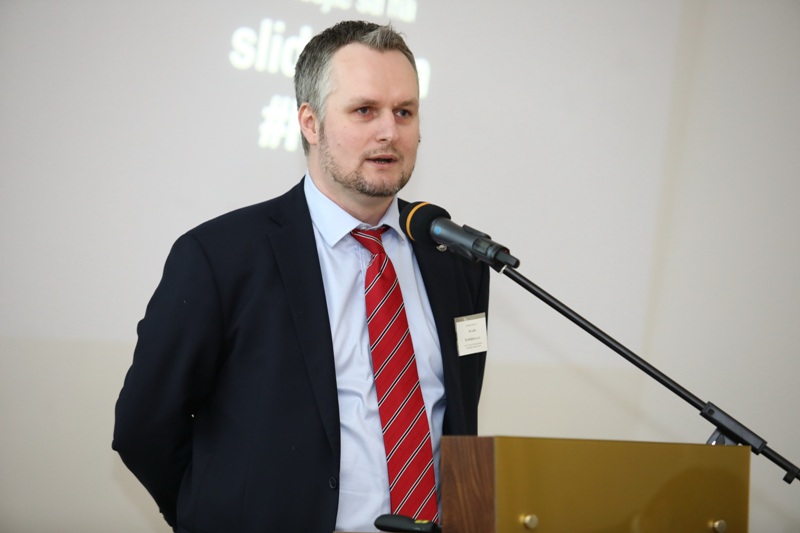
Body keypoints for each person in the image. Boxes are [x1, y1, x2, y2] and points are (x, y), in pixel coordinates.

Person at [113, 20, 489, 533]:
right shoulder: (220, 257)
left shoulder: (454, 257)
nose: (389, 131)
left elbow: (459, 415)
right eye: (364, 110)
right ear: (310, 123)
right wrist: (216, 513)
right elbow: (145, 427)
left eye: (404, 111)